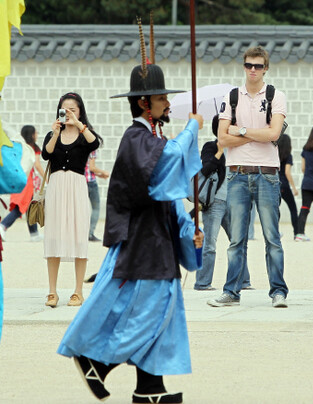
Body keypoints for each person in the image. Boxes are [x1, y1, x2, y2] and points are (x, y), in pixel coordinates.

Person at [57, 59, 204, 404]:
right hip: (143, 242)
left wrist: (187, 230)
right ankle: (96, 361)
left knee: (159, 313)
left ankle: (149, 388)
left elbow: (168, 199)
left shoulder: (152, 138)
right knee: (150, 311)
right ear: (143, 103)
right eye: (161, 98)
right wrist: (192, 130)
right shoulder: (136, 137)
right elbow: (162, 173)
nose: (168, 104)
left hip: (156, 238)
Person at [208, 46, 289, 308]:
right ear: (243, 66)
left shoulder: (276, 96)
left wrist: (240, 131)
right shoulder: (231, 97)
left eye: (257, 65)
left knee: (272, 237)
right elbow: (221, 138)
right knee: (236, 239)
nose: (252, 70)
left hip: (267, 174)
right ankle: (232, 291)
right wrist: (257, 133)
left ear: (266, 68)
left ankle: (278, 290)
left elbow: (275, 134)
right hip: (237, 174)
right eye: (248, 65)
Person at [42, 93, 101, 308]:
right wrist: (56, 133)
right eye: (64, 109)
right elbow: (46, 155)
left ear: (80, 111)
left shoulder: (86, 134)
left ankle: (78, 291)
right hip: (56, 187)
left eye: (72, 109)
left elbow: (95, 144)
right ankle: (52, 292)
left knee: (78, 236)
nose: (67, 113)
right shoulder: (52, 133)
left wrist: (79, 125)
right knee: (53, 237)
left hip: (77, 187)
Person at [195, 114, 252, 291]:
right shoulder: (211, 147)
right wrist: (220, 150)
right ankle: (203, 283)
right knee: (210, 244)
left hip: (234, 201)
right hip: (215, 202)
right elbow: (206, 169)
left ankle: (243, 281)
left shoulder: (238, 148)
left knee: (238, 242)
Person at [0, 125, 45, 242]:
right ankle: (3, 225)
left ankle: (34, 233)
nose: (37, 135)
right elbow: (37, 165)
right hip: (27, 180)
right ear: (32, 135)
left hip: (20, 176)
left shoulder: (20, 146)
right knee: (21, 206)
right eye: (36, 133)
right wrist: (46, 177)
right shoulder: (33, 148)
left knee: (29, 205)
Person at [277, 134, 299, 239]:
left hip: (275, 184)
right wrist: (294, 188)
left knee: (275, 209)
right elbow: (287, 172)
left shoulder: (274, 154)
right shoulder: (288, 156)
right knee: (293, 209)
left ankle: (275, 232)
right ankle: (297, 233)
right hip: (284, 185)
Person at [85, 151, 109, 242]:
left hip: (80, 183)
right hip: (91, 183)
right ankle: (90, 234)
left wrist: (100, 175)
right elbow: (92, 167)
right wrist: (104, 172)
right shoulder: (91, 149)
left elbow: (86, 170)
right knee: (96, 208)